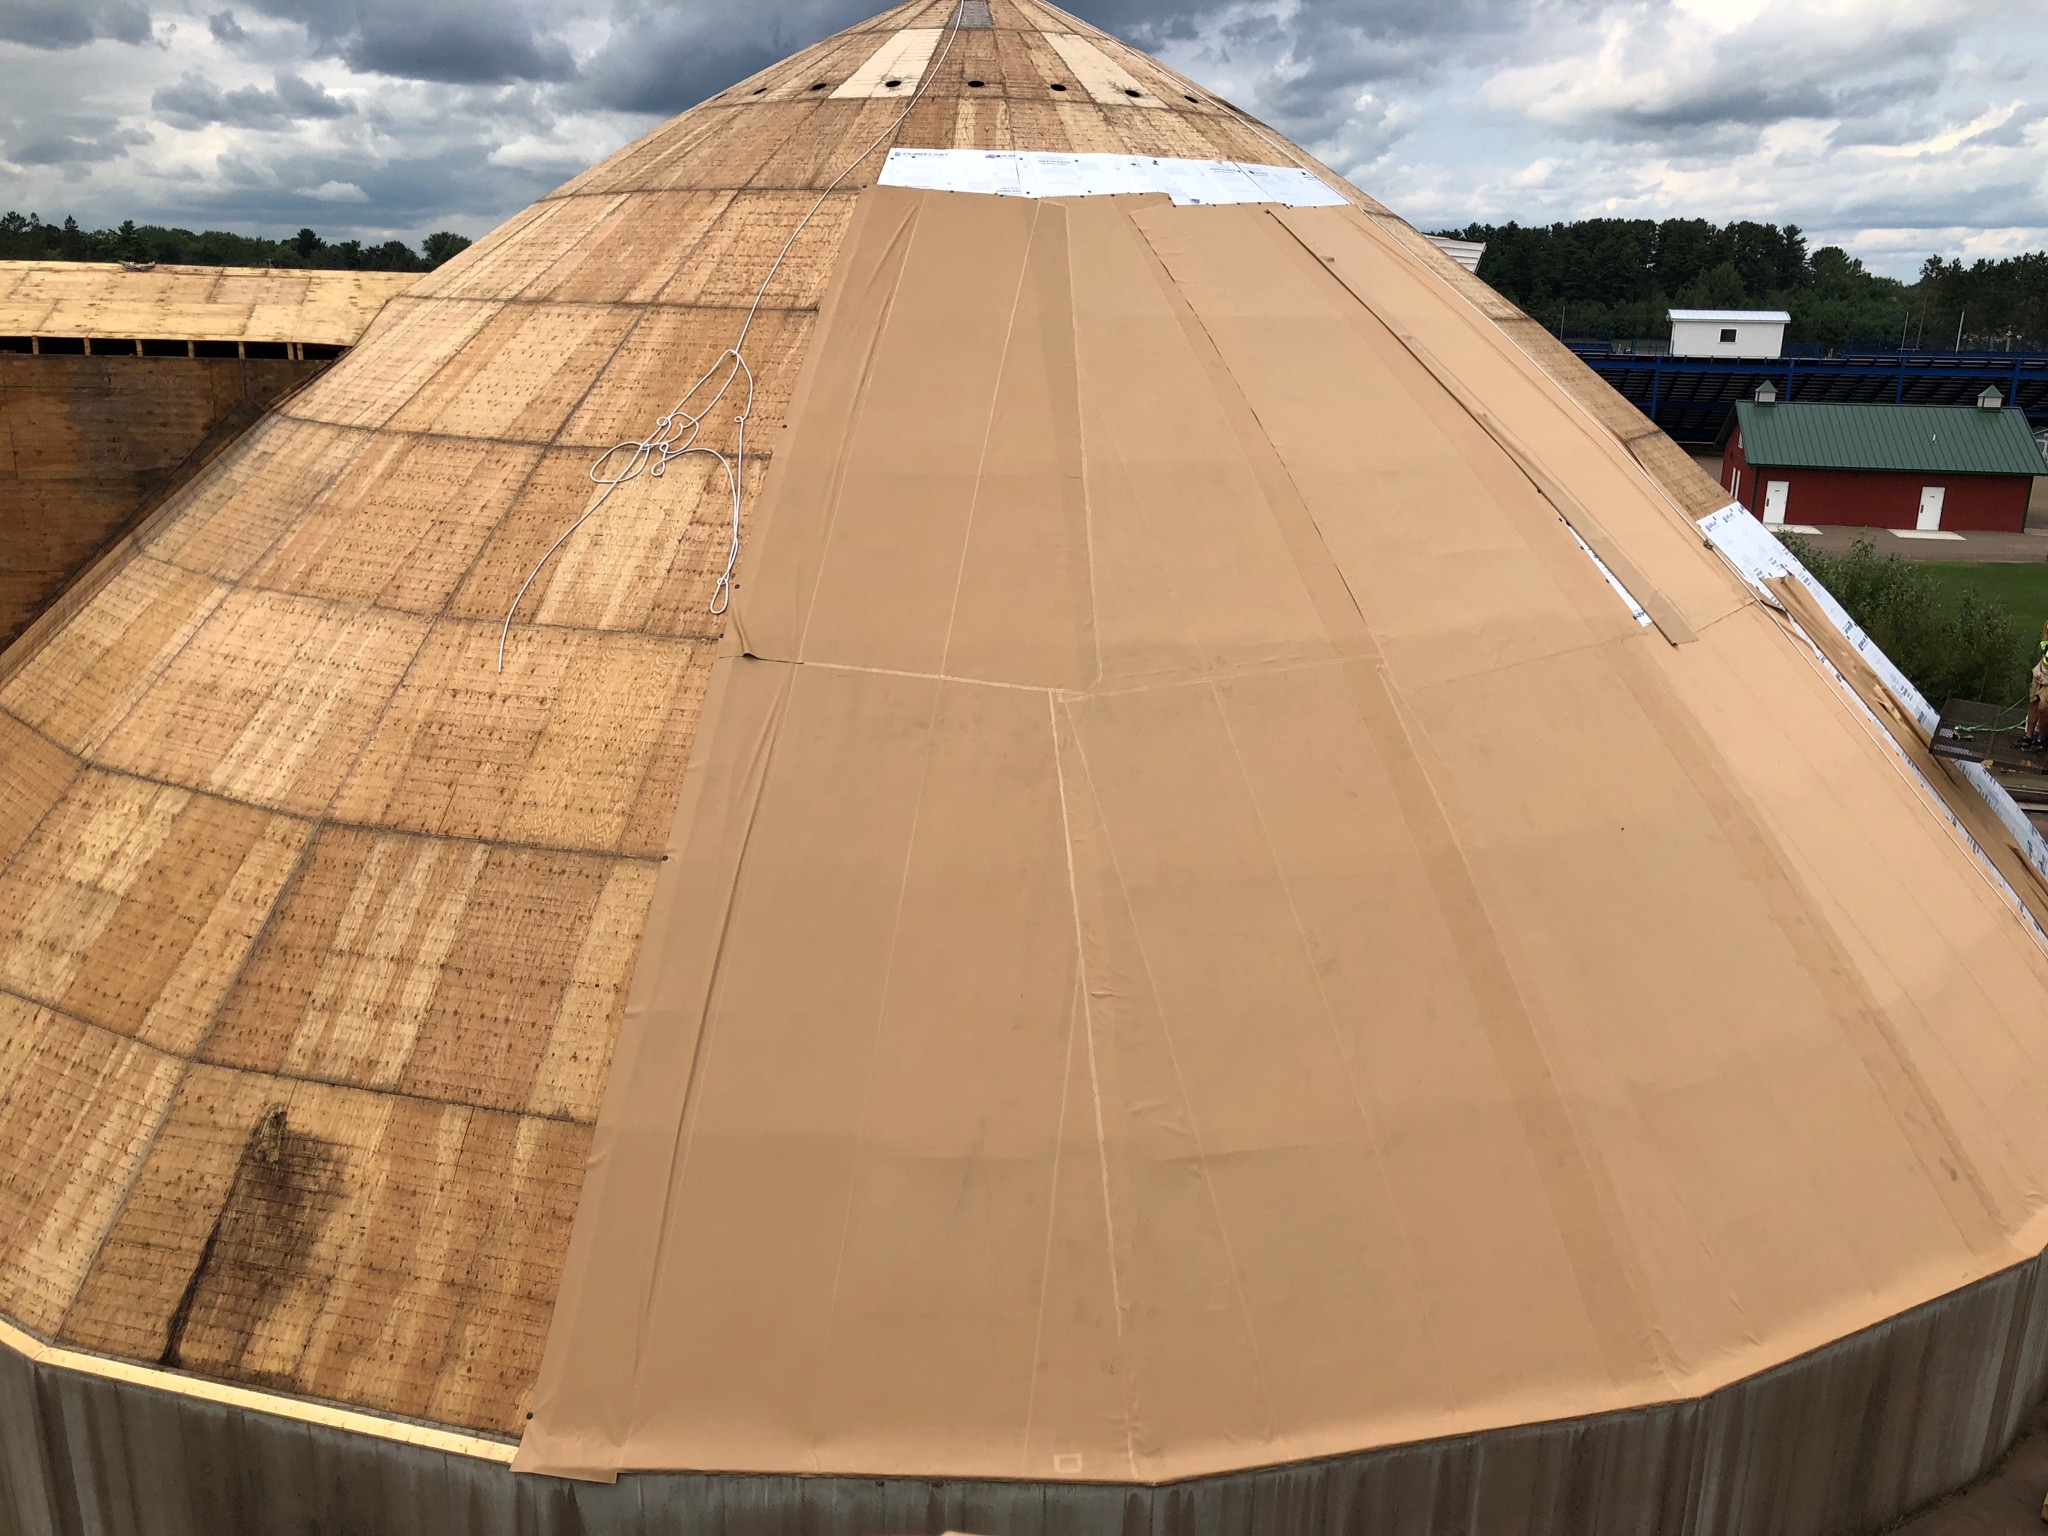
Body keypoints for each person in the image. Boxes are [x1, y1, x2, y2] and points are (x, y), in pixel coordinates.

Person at [2029, 621, 2048, 751]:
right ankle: (2028, 737)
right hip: (2043, 669)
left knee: (2043, 707)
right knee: (2034, 702)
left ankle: (2042, 739)